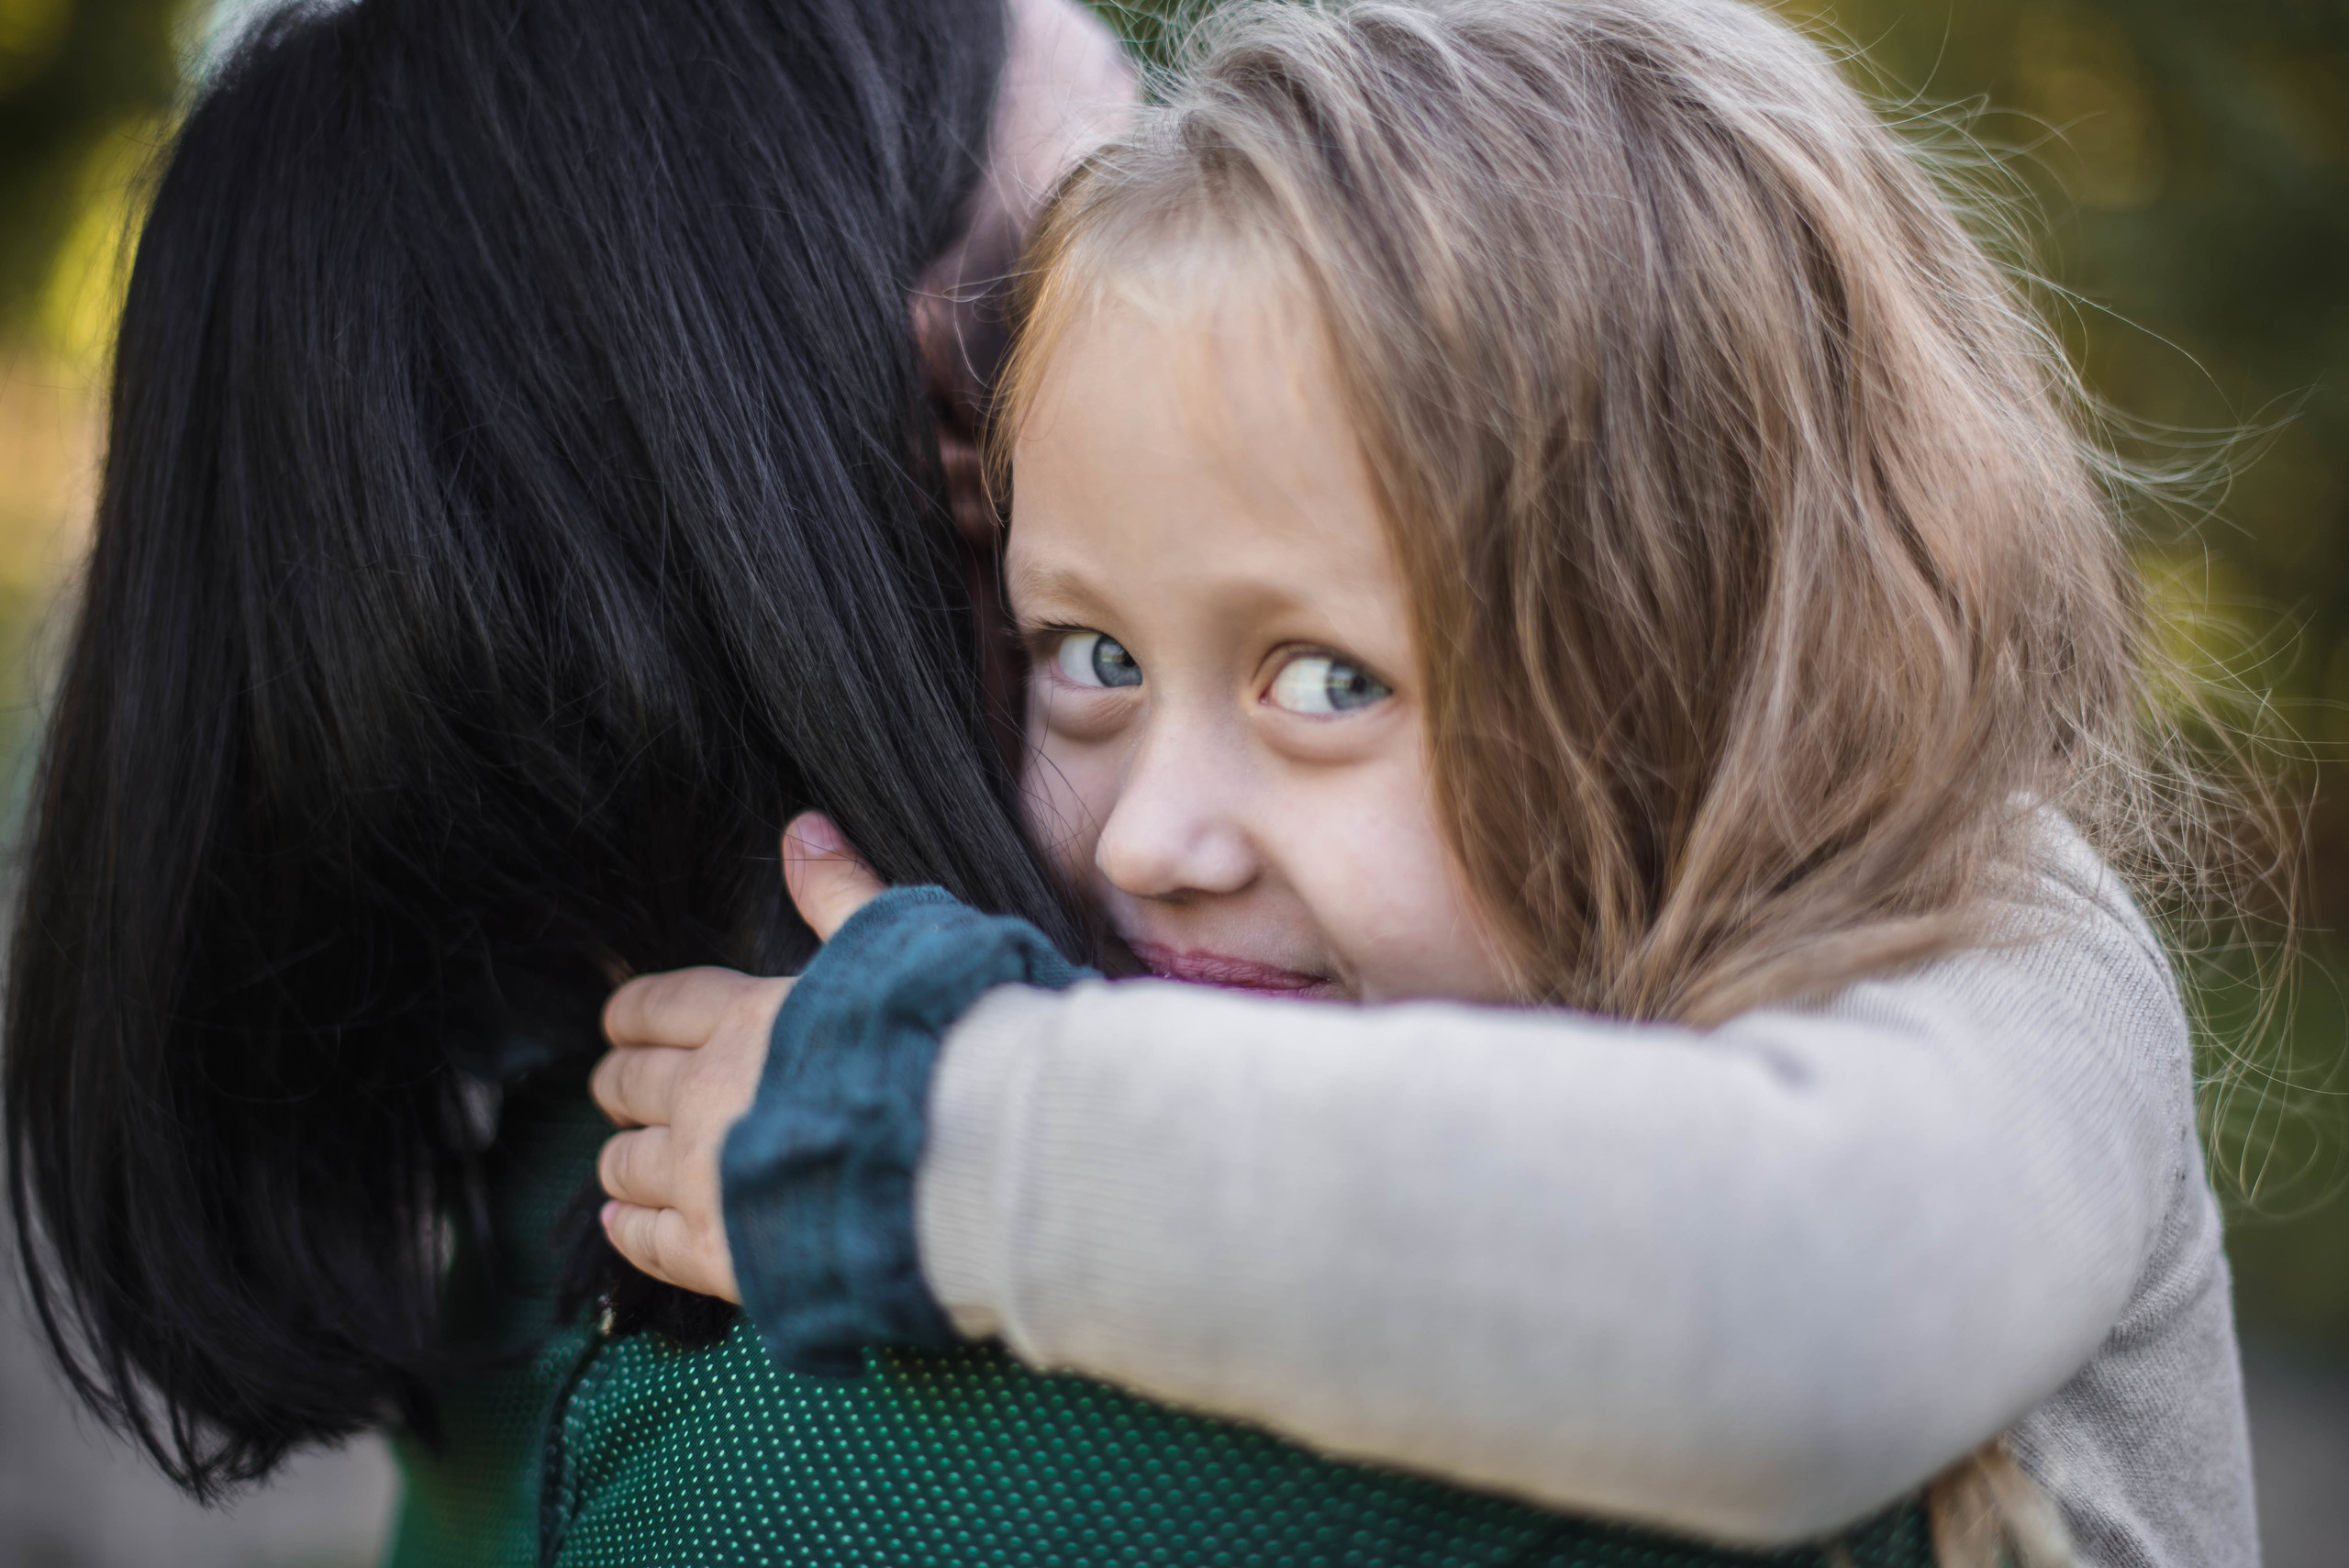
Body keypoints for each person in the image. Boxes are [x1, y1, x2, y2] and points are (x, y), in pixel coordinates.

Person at [6, 0, 1933, 1563]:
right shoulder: (1014, 1410)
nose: (1245, 273)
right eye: (1067, 265)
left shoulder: (558, 1185)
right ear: (940, 446)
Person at [593, 3, 2270, 1566]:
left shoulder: (2005, 952)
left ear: (1724, 663)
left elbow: (1791, 1319)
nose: (1157, 837)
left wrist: (939, 1128)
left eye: (1330, 683)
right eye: (1091, 657)